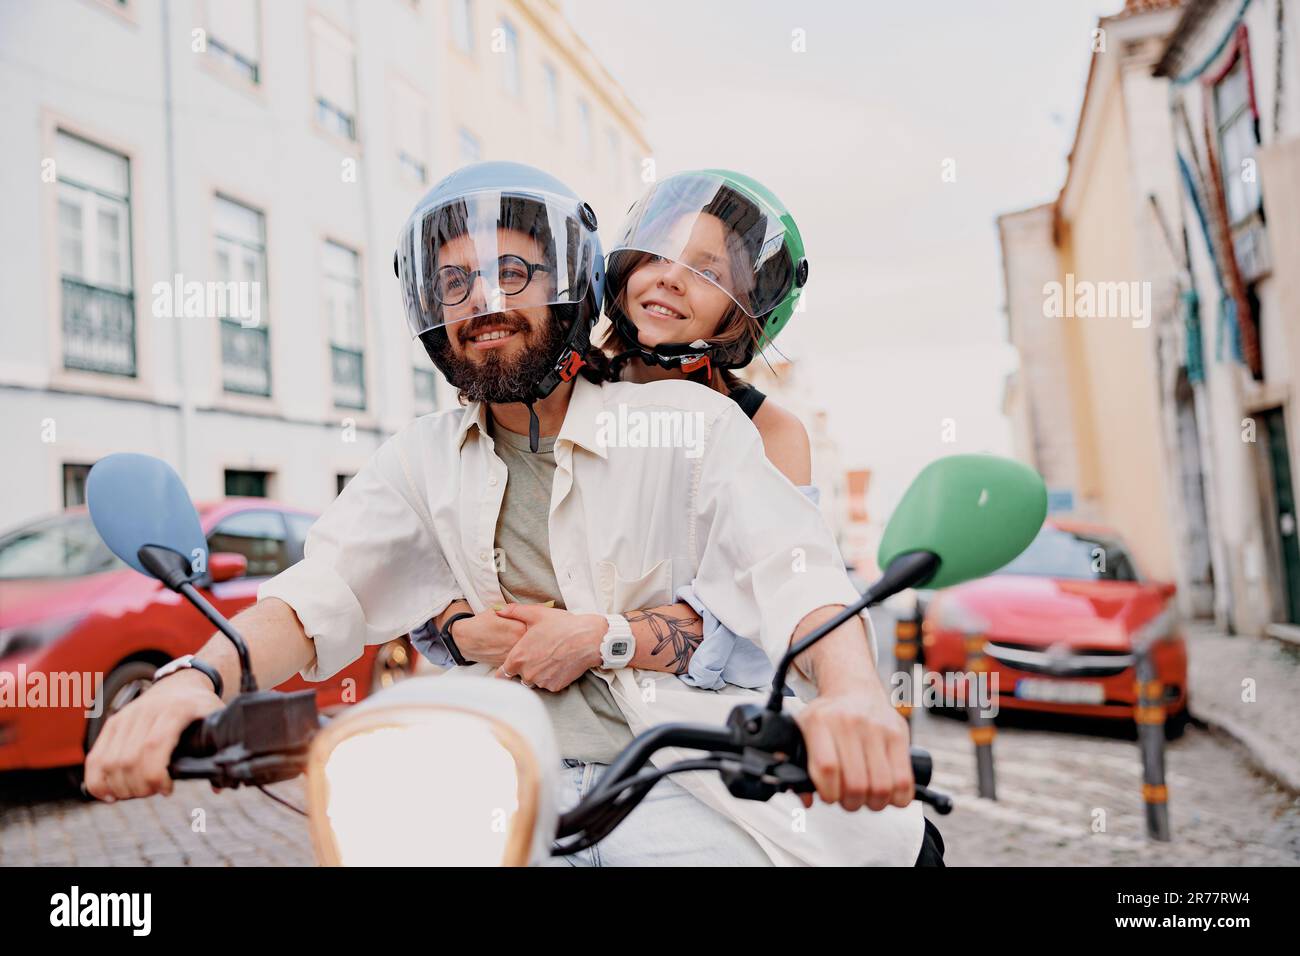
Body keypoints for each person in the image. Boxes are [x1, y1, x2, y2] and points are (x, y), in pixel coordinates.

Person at [85, 162, 927, 866]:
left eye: (512, 273)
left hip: (677, 776)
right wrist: (190, 681)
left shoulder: (696, 428)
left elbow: (792, 570)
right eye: (456, 281)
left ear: (574, 283)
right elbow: (321, 591)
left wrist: (854, 696)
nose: (482, 299)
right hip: (489, 780)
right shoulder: (417, 456)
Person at [601, 169, 814, 486]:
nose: (671, 278)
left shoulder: (770, 433)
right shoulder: (574, 397)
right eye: (660, 255)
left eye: (709, 273)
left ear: (735, 314)